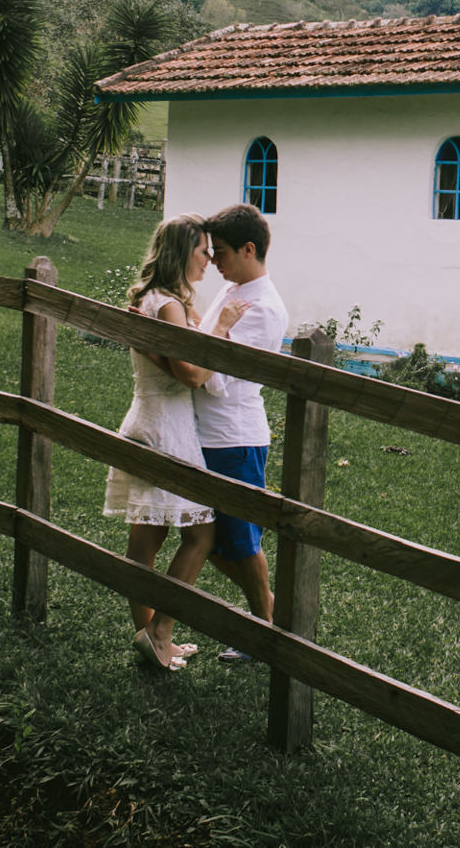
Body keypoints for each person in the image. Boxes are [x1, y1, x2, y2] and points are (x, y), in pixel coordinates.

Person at [101, 213, 233, 671]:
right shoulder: (169, 306)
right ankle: (161, 632)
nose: (210, 258)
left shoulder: (150, 298)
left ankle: (151, 637)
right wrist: (219, 331)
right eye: (203, 250)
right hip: (165, 429)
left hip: (144, 418)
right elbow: (192, 375)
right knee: (200, 535)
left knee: (145, 542)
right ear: (182, 252)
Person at [192, 203, 289, 665]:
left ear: (249, 250)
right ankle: (266, 620)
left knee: (240, 541)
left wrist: (194, 352)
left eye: (223, 252)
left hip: (234, 435)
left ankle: (266, 626)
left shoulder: (263, 308)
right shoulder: (233, 290)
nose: (214, 261)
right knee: (203, 538)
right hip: (205, 431)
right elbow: (206, 341)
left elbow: (216, 378)